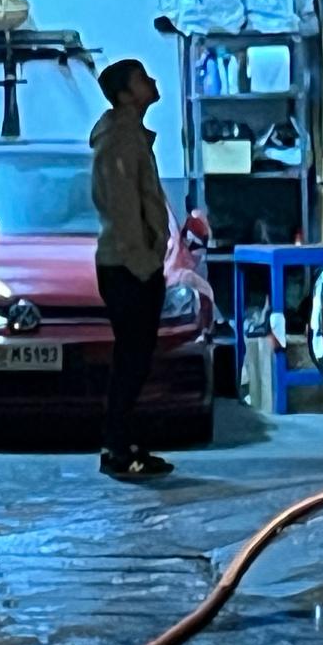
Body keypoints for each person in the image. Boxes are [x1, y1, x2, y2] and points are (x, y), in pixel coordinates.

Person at [89, 58, 175, 478]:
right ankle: (118, 448)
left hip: (129, 262)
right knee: (131, 360)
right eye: (143, 78)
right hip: (128, 266)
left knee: (134, 360)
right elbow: (125, 210)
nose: (152, 81)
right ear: (125, 93)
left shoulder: (129, 136)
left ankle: (126, 443)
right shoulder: (121, 139)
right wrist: (146, 262)